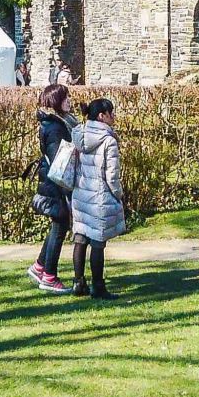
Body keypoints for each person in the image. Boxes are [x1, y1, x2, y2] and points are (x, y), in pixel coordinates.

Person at [68, 96, 125, 298]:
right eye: (111, 113)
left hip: (81, 193)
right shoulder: (108, 141)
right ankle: (98, 287)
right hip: (100, 196)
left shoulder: (80, 134)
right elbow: (112, 176)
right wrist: (118, 195)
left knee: (81, 237)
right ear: (102, 116)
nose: (114, 117)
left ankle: (78, 282)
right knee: (98, 242)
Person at [28, 85, 75, 293]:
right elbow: (59, 161)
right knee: (60, 224)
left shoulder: (55, 122)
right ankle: (49, 276)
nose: (70, 100)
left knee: (59, 224)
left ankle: (40, 266)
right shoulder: (55, 127)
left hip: (51, 181)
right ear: (57, 101)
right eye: (66, 97)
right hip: (55, 184)